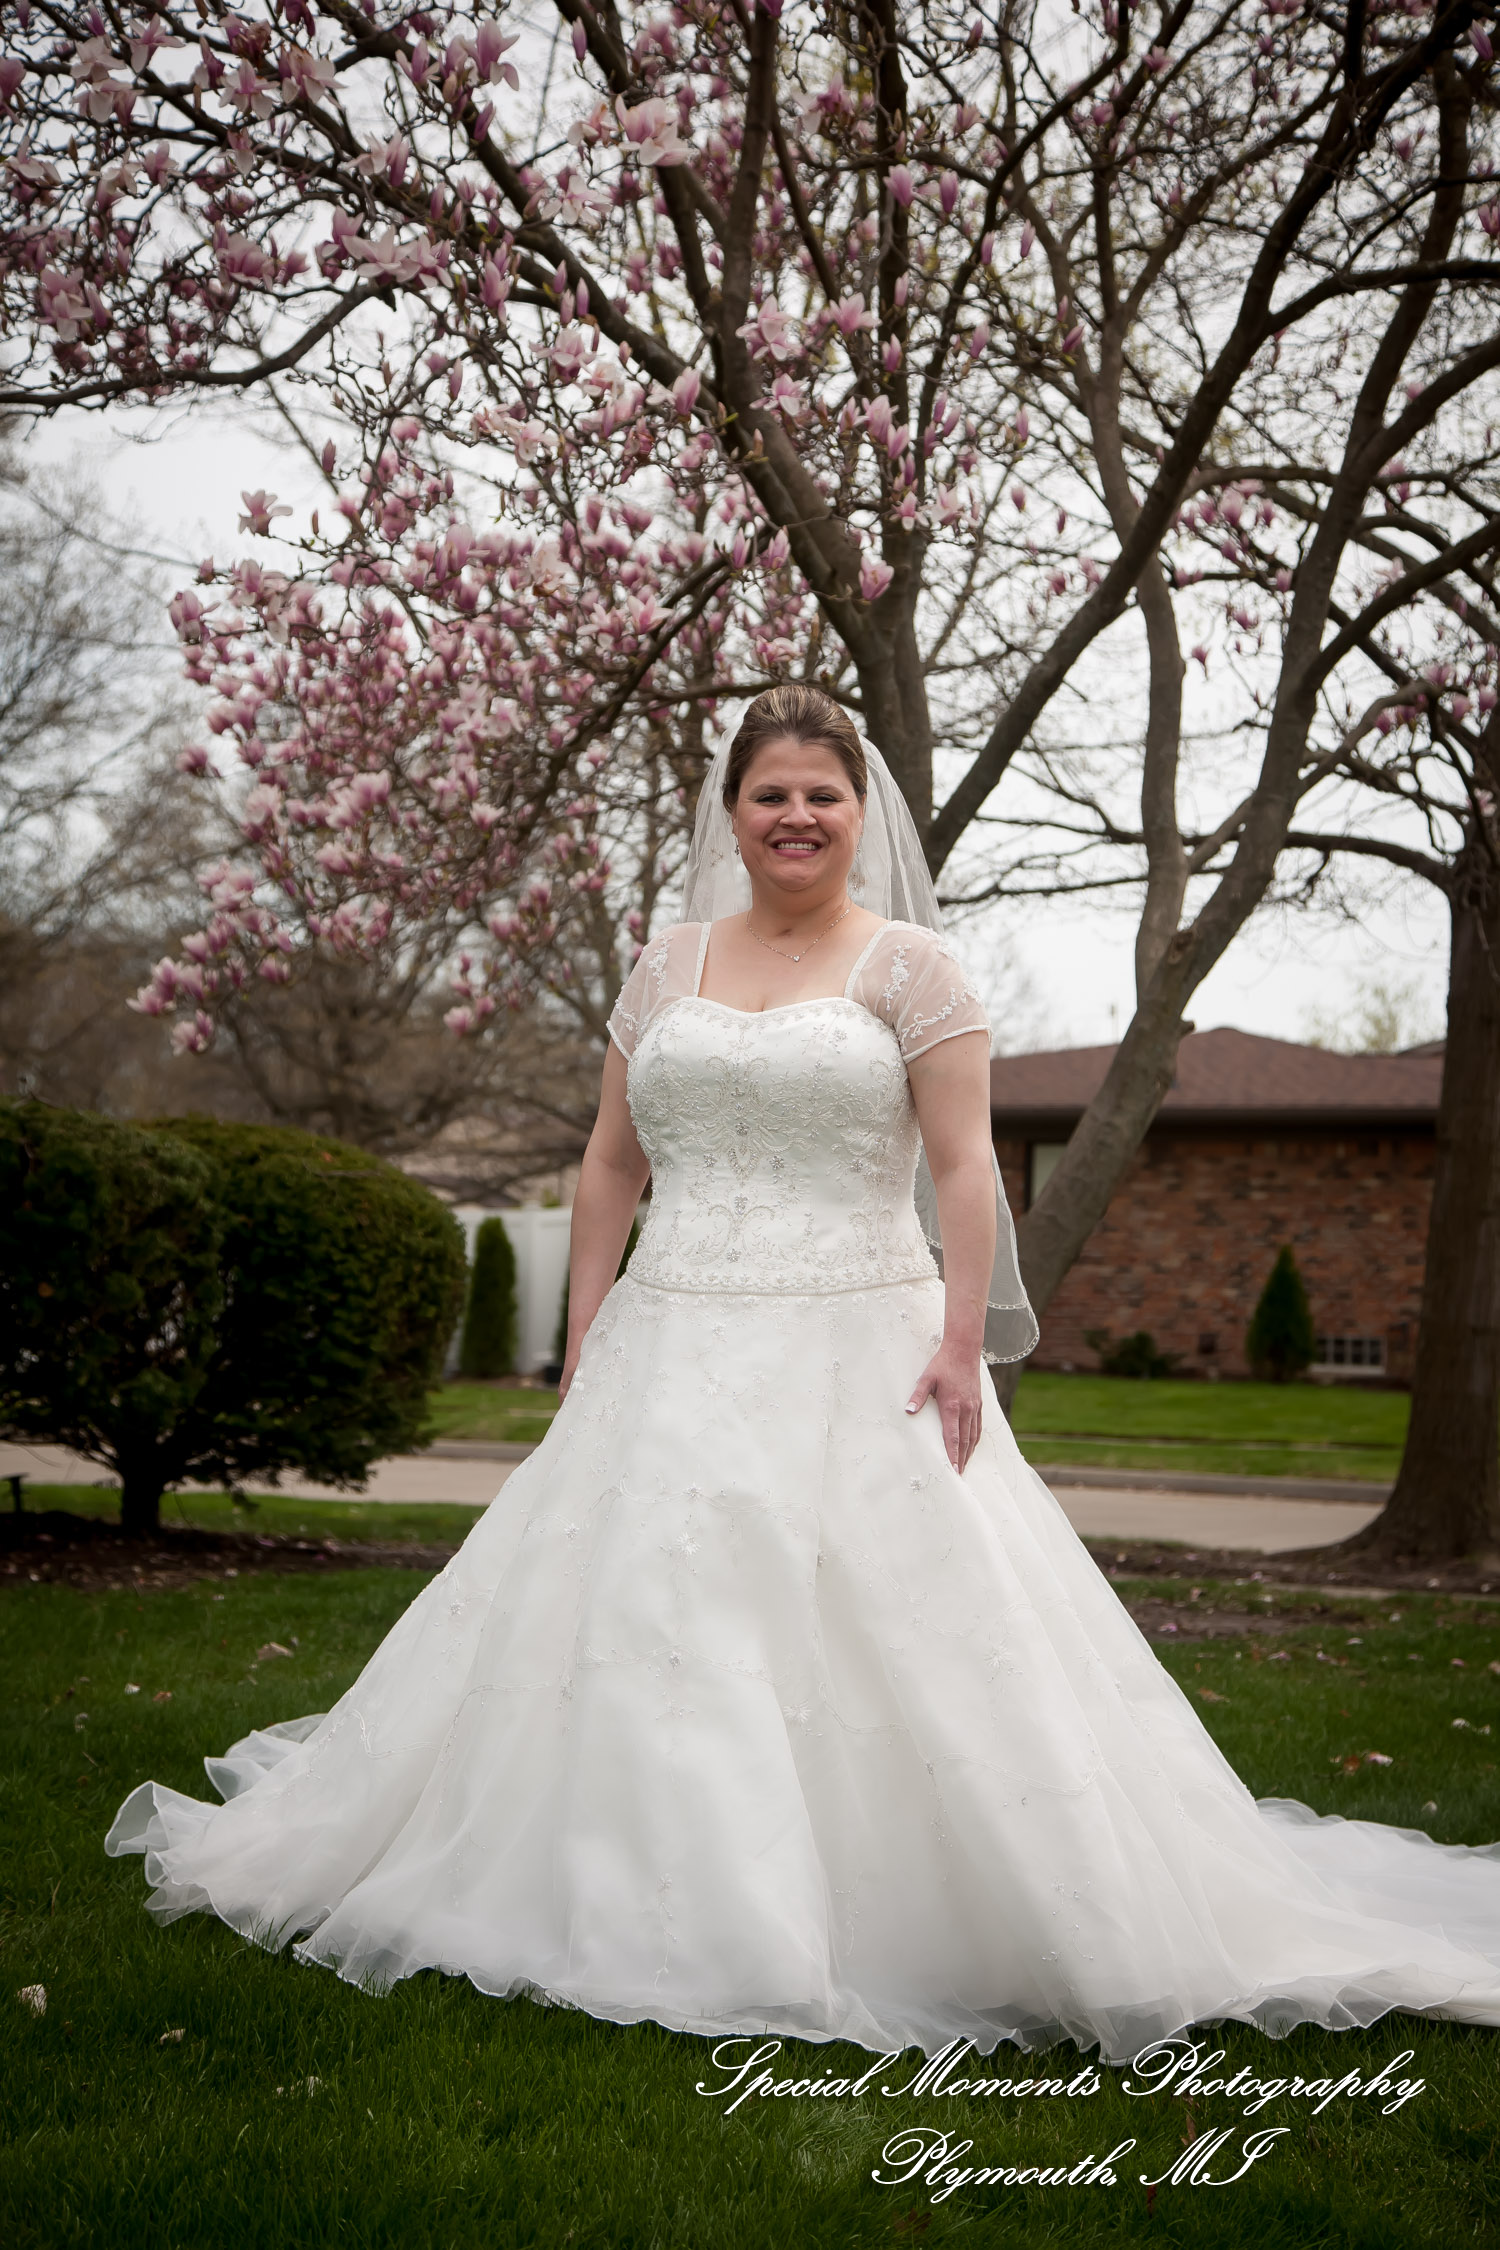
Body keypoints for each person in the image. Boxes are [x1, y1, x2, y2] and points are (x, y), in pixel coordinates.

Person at [108, 685, 1500, 2064]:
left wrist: (962, 1339)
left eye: (820, 794)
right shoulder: (662, 968)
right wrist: (581, 1331)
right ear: (731, 812)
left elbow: (963, 1166)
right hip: (672, 1332)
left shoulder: (914, 972)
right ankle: (620, 1887)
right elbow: (609, 1159)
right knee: (647, 1609)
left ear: (859, 813)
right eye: (769, 792)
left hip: (864, 1346)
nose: (795, 815)